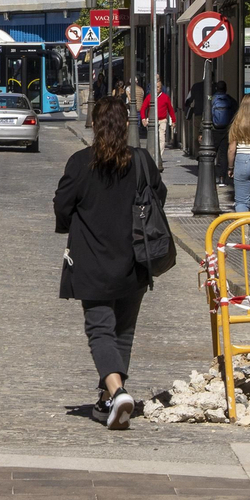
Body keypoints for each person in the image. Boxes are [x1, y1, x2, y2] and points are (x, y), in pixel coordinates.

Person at [52, 95, 165, 430]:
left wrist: (76, 223)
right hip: (135, 260)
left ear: (96, 124)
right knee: (123, 332)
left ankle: (116, 392)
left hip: (92, 262)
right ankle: (107, 399)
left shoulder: (80, 163)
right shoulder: (142, 161)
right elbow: (159, 196)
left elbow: (62, 206)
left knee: (100, 330)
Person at [210, 81, 235, 186]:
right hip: (226, 130)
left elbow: (206, 115)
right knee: (223, 155)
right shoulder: (230, 100)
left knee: (211, 154)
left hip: (214, 130)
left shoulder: (211, 100)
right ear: (226, 89)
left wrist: (201, 132)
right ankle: (221, 178)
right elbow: (235, 113)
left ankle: (210, 177)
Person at [145, 75, 176, 157]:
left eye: (158, 87)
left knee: (161, 138)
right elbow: (143, 108)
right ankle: (152, 154)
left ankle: (159, 156)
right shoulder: (149, 97)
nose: (157, 88)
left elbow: (170, 109)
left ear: (161, 87)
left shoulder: (165, 97)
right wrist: (143, 119)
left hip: (162, 120)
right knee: (153, 137)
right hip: (152, 120)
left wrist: (173, 120)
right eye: (156, 87)